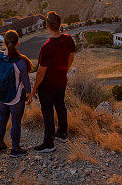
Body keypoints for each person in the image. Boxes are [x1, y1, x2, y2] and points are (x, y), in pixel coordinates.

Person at [32, 11, 76, 153]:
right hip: (61, 80)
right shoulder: (68, 39)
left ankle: (49, 143)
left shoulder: (46, 47)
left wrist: (34, 88)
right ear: (59, 24)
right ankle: (62, 133)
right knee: (60, 105)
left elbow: (40, 71)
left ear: (47, 26)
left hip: (47, 85)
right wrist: (65, 70)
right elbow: (71, 56)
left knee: (48, 112)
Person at [0, 29, 33, 157]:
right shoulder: (20, 61)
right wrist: (29, 94)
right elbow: (25, 81)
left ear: (4, 42)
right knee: (16, 121)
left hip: (1, 95)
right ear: (17, 43)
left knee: (2, 118)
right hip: (15, 97)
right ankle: (15, 149)